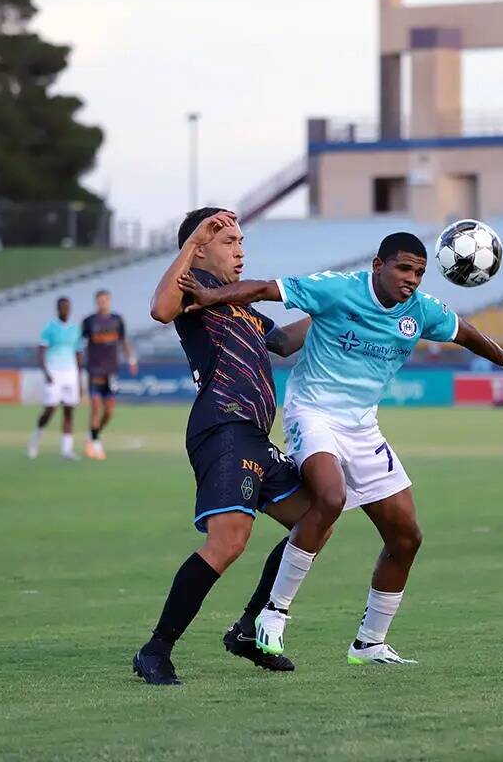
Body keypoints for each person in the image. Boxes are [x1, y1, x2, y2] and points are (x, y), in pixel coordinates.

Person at [179, 231, 503, 665]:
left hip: (362, 427)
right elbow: (263, 289)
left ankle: (369, 642)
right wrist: (211, 295)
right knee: (331, 496)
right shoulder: (338, 288)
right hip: (311, 411)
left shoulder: (421, 311)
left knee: (406, 537)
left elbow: (465, 334)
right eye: (404, 268)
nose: (411, 279)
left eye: (420, 273)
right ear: (378, 265)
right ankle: (273, 614)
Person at [134, 207, 315, 685]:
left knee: (315, 519)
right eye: (229, 241)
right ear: (201, 246)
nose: (240, 251)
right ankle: (155, 650)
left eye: (241, 242)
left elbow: (285, 343)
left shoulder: (241, 307)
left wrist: (335, 305)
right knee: (228, 542)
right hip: (223, 429)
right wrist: (191, 243)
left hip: (253, 435)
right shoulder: (192, 292)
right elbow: (160, 309)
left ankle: (249, 631)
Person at [81, 290, 138, 460]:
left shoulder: (117, 320)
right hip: (94, 370)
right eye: (100, 300)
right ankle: (96, 443)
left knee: (109, 412)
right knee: (96, 407)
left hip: (111, 371)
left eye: (105, 300)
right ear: (96, 302)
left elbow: (123, 341)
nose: (103, 303)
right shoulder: (89, 322)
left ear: (110, 301)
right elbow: (80, 344)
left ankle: (92, 434)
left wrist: (131, 359)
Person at [27, 297, 83, 461]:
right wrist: (46, 372)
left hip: (70, 373)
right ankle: (35, 441)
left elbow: (78, 353)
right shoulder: (49, 329)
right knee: (49, 410)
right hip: (54, 372)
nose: (65, 310)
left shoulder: (75, 329)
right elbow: (41, 351)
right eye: (63, 307)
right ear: (58, 309)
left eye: (68, 307)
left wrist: (78, 376)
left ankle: (67, 450)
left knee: (69, 411)